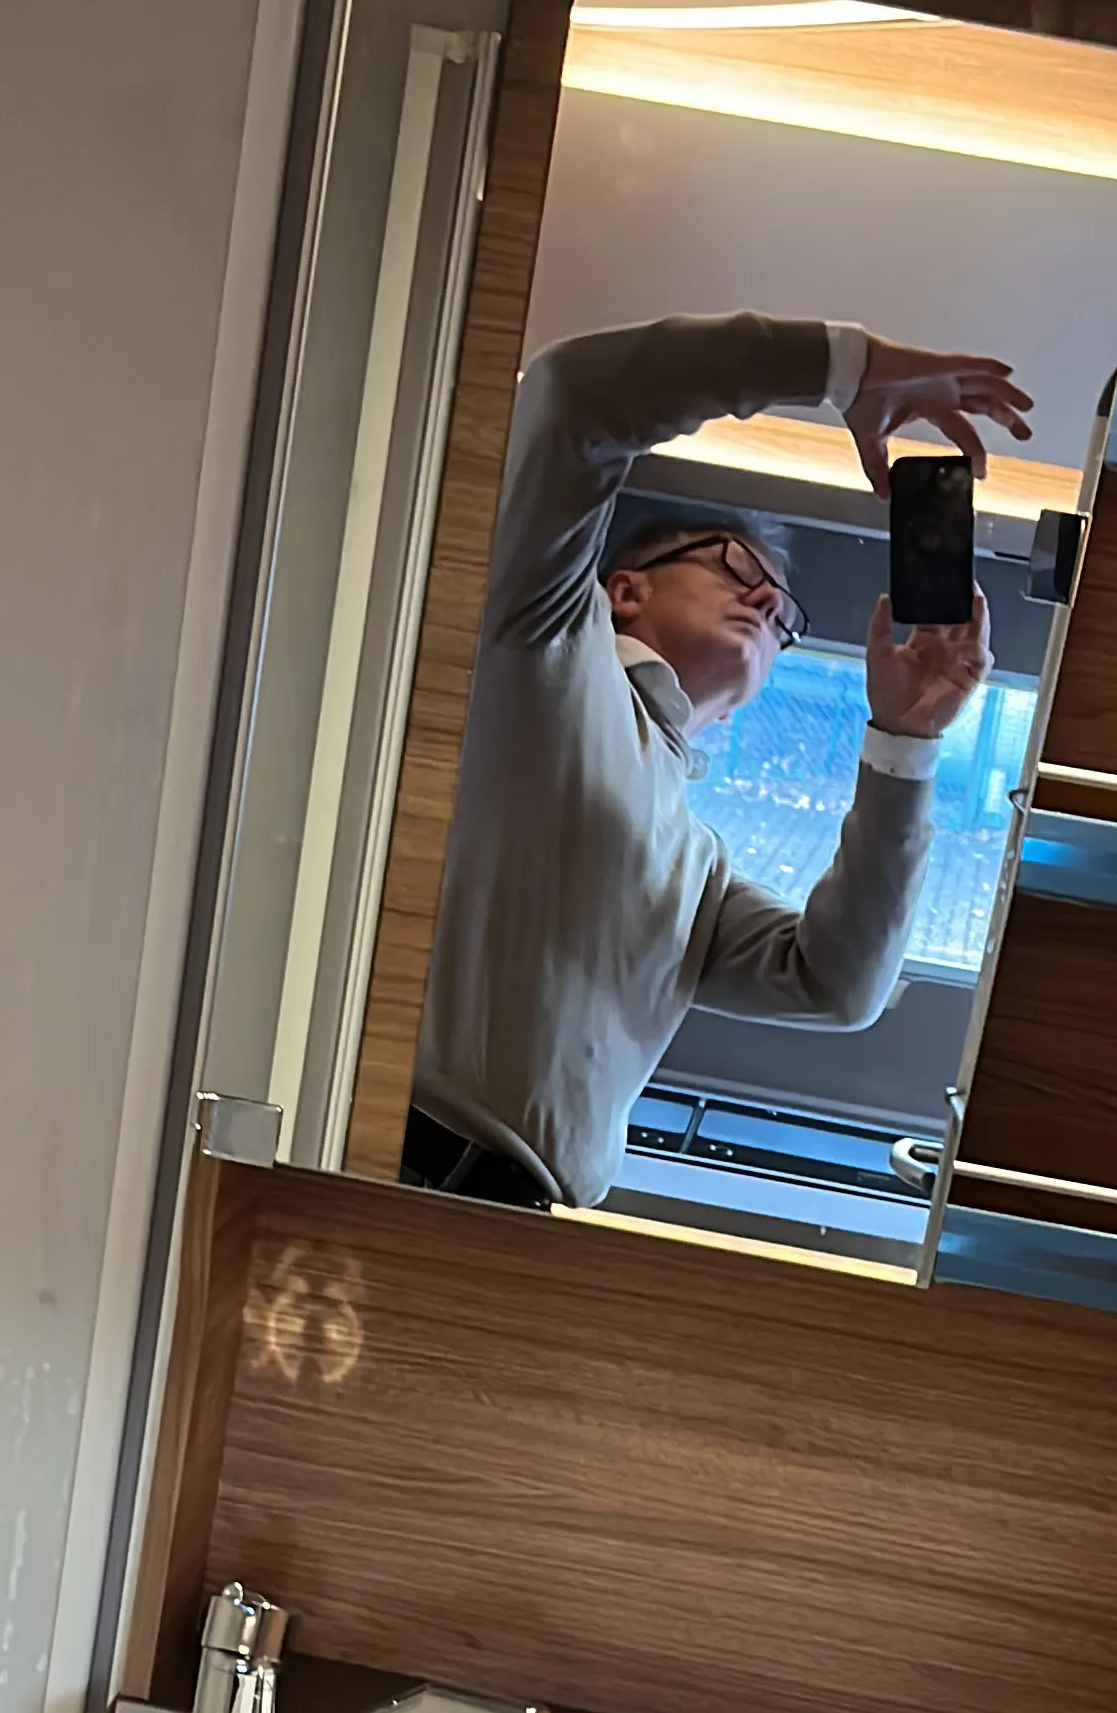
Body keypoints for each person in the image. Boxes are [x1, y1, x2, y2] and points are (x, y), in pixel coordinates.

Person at [403, 311, 1032, 1211]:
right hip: (397, 1156)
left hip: (521, 1222)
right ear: (624, 590)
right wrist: (841, 367)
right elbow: (571, 398)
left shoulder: (696, 866)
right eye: (739, 566)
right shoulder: (545, 640)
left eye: (784, 617)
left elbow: (838, 986)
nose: (768, 600)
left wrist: (905, 741)